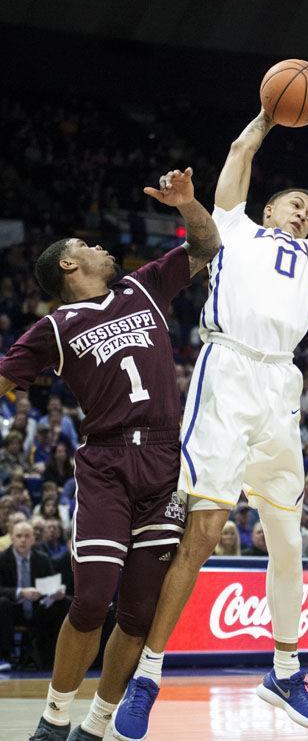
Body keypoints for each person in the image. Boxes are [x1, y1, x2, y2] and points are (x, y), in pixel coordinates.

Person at [114, 75, 308, 740]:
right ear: (270, 210)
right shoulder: (236, 228)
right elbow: (239, 156)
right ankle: (147, 677)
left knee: (287, 541)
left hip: (280, 387)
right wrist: (270, 113)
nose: (304, 213)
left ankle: (285, 671)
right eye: (294, 205)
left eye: (307, 211)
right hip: (227, 373)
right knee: (203, 530)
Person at [0, 167, 219, 741]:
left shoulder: (141, 288)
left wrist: (190, 204)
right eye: (87, 245)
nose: (100, 246)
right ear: (69, 265)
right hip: (106, 462)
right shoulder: (55, 326)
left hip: (166, 462)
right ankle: (53, 717)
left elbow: (207, 243)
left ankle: (95, 724)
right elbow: (5, 378)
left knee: (140, 612)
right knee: (93, 597)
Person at [0, 521, 69, 672]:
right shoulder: (2, 559)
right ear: (12, 538)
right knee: (2, 603)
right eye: (19, 536)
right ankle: (5, 656)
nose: (23, 540)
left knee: (64, 602)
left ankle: (56, 655)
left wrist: (57, 593)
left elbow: (53, 582)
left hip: (39, 607)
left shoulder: (42, 559)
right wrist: (20, 592)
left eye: (27, 536)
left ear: (33, 539)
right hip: (13, 609)